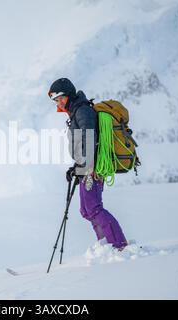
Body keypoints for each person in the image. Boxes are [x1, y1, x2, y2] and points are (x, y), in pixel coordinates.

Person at [48, 78, 128, 251]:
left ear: (68, 94)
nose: (58, 102)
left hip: (92, 168)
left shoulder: (82, 111)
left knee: (93, 208)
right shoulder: (76, 111)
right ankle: (106, 244)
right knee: (86, 210)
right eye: (55, 100)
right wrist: (75, 167)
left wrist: (83, 167)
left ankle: (119, 245)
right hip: (86, 166)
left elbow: (90, 140)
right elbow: (82, 144)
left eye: (60, 98)